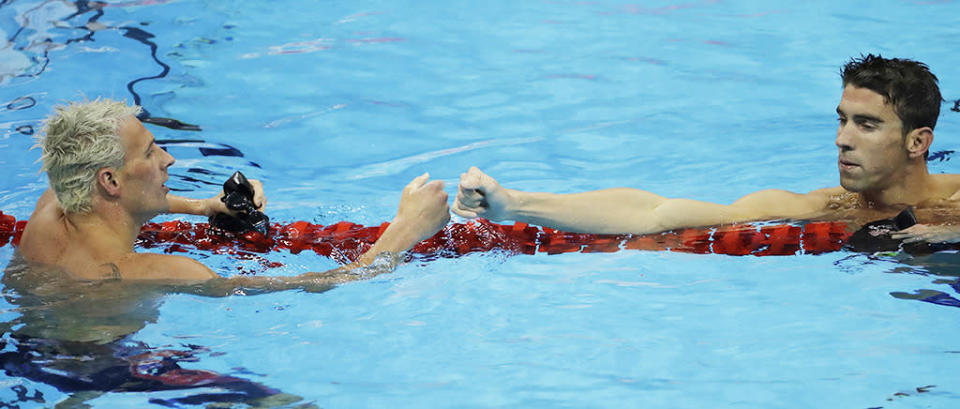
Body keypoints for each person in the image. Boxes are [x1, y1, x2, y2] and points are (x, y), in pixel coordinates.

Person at [2, 98, 450, 406]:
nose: (168, 160)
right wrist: (406, 227)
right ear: (111, 182)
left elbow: (100, 193)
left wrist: (205, 206)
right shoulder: (155, 271)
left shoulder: (52, 208)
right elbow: (330, 282)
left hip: (21, 350)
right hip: (110, 368)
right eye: (150, 151)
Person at [453, 54, 960, 243]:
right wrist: (516, 203)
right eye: (842, 120)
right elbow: (657, 212)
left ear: (919, 142)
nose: (841, 139)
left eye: (866, 125)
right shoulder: (824, 206)